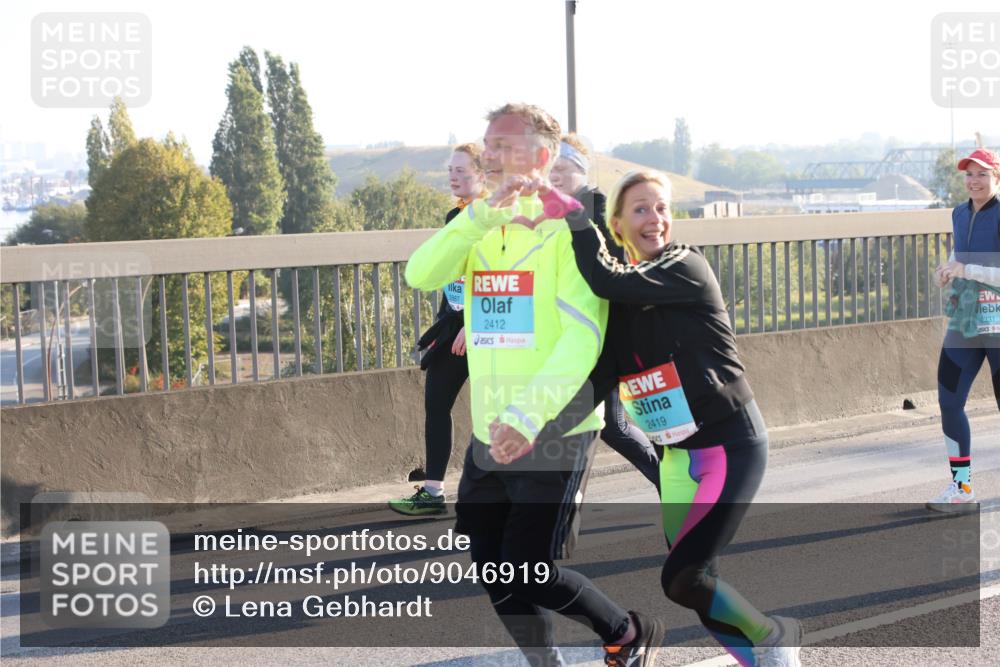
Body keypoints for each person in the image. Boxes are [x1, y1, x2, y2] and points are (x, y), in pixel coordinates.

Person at [406, 104, 663, 667]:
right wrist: (476, 220)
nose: (490, 154)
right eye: (487, 144)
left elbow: (581, 340)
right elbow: (420, 274)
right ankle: (544, 664)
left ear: (542, 158)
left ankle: (625, 630)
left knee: (530, 567)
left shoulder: (573, 232)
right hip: (488, 431)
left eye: (505, 145)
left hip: (554, 426)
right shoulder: (478, 225)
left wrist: (526, 418)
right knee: (493, 568)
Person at [531, 169, 802, 666]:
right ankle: (759, 657)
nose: (655, 219)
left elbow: (604, 275)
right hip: (676, 457)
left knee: (684, 577)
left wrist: (574, 218)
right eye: (640, 209)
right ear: (617, 224)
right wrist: (533, 429)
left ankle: (772, 635)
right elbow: (600, 379)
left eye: (661, 208)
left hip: (730, 447)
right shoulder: (619, 303)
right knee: (695, 585)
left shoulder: (686, 266)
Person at [551, 134, 660, 488]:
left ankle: (674, 487)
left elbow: (616, 265)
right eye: (550, 167)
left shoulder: (598, 206)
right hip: (573, 334)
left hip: (605, 332)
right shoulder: (552, 211)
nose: (554, 175)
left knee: (606, 425)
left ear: (581, 169)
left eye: (563, 168)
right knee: (603, 426)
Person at [389, 144, 485, 516]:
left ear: (483, 174)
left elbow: (502, 279)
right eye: (451, 170)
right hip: (452, 325)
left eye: (462, 170)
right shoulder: (454, 215)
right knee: (436, 402)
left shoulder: (495, 222)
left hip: (487, 327)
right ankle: (433, 492)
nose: (453, 176)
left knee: (494, 413)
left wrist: (474, 325)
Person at [928, 147, 1000, 511]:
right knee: (949, 401)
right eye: (969, 174)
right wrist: (947, 269)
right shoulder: (958, 213)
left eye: (982, 174)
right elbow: (962, 254)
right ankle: (962, 489)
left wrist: (967, 271)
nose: (974, 180)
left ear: (996, 178)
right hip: (965, 323)